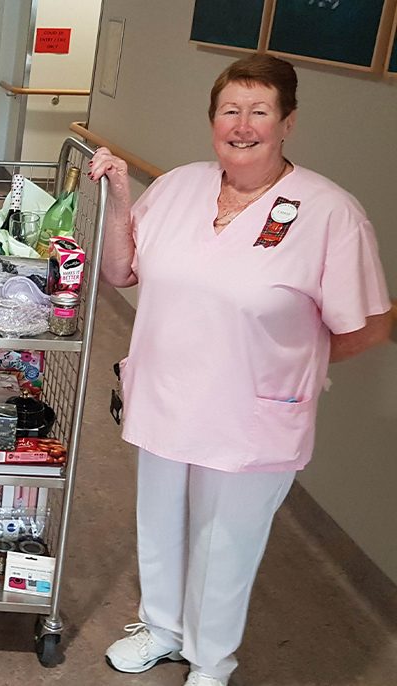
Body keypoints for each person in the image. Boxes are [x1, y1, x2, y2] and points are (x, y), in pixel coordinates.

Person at [90, 54, 391, 686]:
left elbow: (369, 324)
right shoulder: (177, 186)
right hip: (166, 394)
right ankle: (163, 629)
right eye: (230, 110)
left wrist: (289, 360)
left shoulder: (329, 212)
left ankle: (211, 659)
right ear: (212, 120)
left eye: (260, 111)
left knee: (225, 543)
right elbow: (121, 272)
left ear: (288, 123)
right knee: (161, 521)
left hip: (253, 412)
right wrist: (121, 198)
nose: (243, 124)